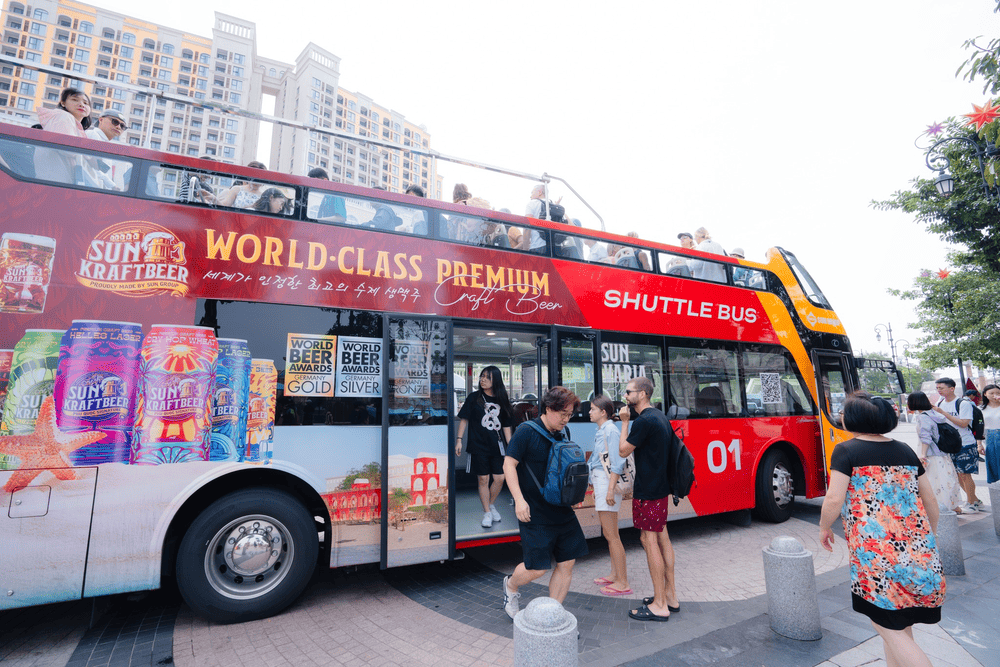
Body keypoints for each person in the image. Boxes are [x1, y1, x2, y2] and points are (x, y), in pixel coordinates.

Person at [819, 392, 944, 667]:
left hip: (877, 558)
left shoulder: (846, 450)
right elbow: (930, 499)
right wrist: (928, 538)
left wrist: (824, 527)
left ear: (852, 419)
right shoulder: (905, 450)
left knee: (889, 630)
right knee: (901, 625)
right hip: (919, 554)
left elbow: (834, 498)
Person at [501, 386, 587, 619]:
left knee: (567, 563)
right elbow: (508, 465)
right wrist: (519, 501)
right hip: (533, 510)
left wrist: (573, 495)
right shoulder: (526, 432)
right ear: (548, 409)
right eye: (563, 414)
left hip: (561, 508)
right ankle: (511, 585)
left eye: (570, 415)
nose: (566, 420)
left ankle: (552, 613)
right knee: (536, 568)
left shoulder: (563, 433)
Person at [619, 376, 679, 622]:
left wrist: (624, 422)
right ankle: (670, 596)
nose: (625, 396)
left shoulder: (643, 421)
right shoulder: (660, 416)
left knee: (648, 540)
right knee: (662, 538)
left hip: (648, 491)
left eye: (629, 391)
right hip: (661, 489)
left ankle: (659, 604)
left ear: (642, 393)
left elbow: (623, 450)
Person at [456, 366, 514, 529]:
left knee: (500, 478)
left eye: (487, 377)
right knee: (483, 479)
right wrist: (459, 440)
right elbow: (464, 419)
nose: (483, 379)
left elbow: (506, 426)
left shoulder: (502, 399)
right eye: (482, 376)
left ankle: (490, 504)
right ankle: (487, 512)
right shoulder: (474, 398)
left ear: (495, 380)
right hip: (477, 446)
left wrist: (511, 447)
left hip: (497, 447)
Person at [588, 395, 631, 596]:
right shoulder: (604, 430)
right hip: (603, 481)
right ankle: (615, 575)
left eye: (592, 409)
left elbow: (618, 462)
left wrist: (610, 489)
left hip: (607, 482)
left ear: (603, 412)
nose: (589, 412)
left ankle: (622, 582)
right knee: (611, 533)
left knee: (611, 535)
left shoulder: (611, 430)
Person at [933, 378, 982, 512]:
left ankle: (972, 503)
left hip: (965, 443)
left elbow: (963, 423)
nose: (939, 391)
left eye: (941, 388)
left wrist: (943, 413)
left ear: (952, 388)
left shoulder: (963, 403)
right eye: (937, 388)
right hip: (950, 445)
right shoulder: (940, 402)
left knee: (965, 474)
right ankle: (975, 499)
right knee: (957, 474)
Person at [908, 391, 962, 513]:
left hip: (931, 454)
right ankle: (952, 505)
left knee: (933, 481)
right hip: (943, 453)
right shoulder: (934, 413)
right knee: (947, 479)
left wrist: (922, 455)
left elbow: (925, 438)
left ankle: (939, 508)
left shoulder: (923, 417)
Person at [34, 87, 93, 185]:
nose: (81, 104)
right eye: (75, 99)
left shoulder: (74, 125)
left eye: (86, 103)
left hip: (55, 181)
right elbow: (68, 149)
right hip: (53, 182)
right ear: (63, 103)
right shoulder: (63, 116)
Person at [982, 383, 1000, 484]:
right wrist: (979, 444)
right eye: (991, 393)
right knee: (993, 463)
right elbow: (979, 428)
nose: (995, 395)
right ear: (985, 394)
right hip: (990, 438)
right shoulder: (981, 409)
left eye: (997, 393)